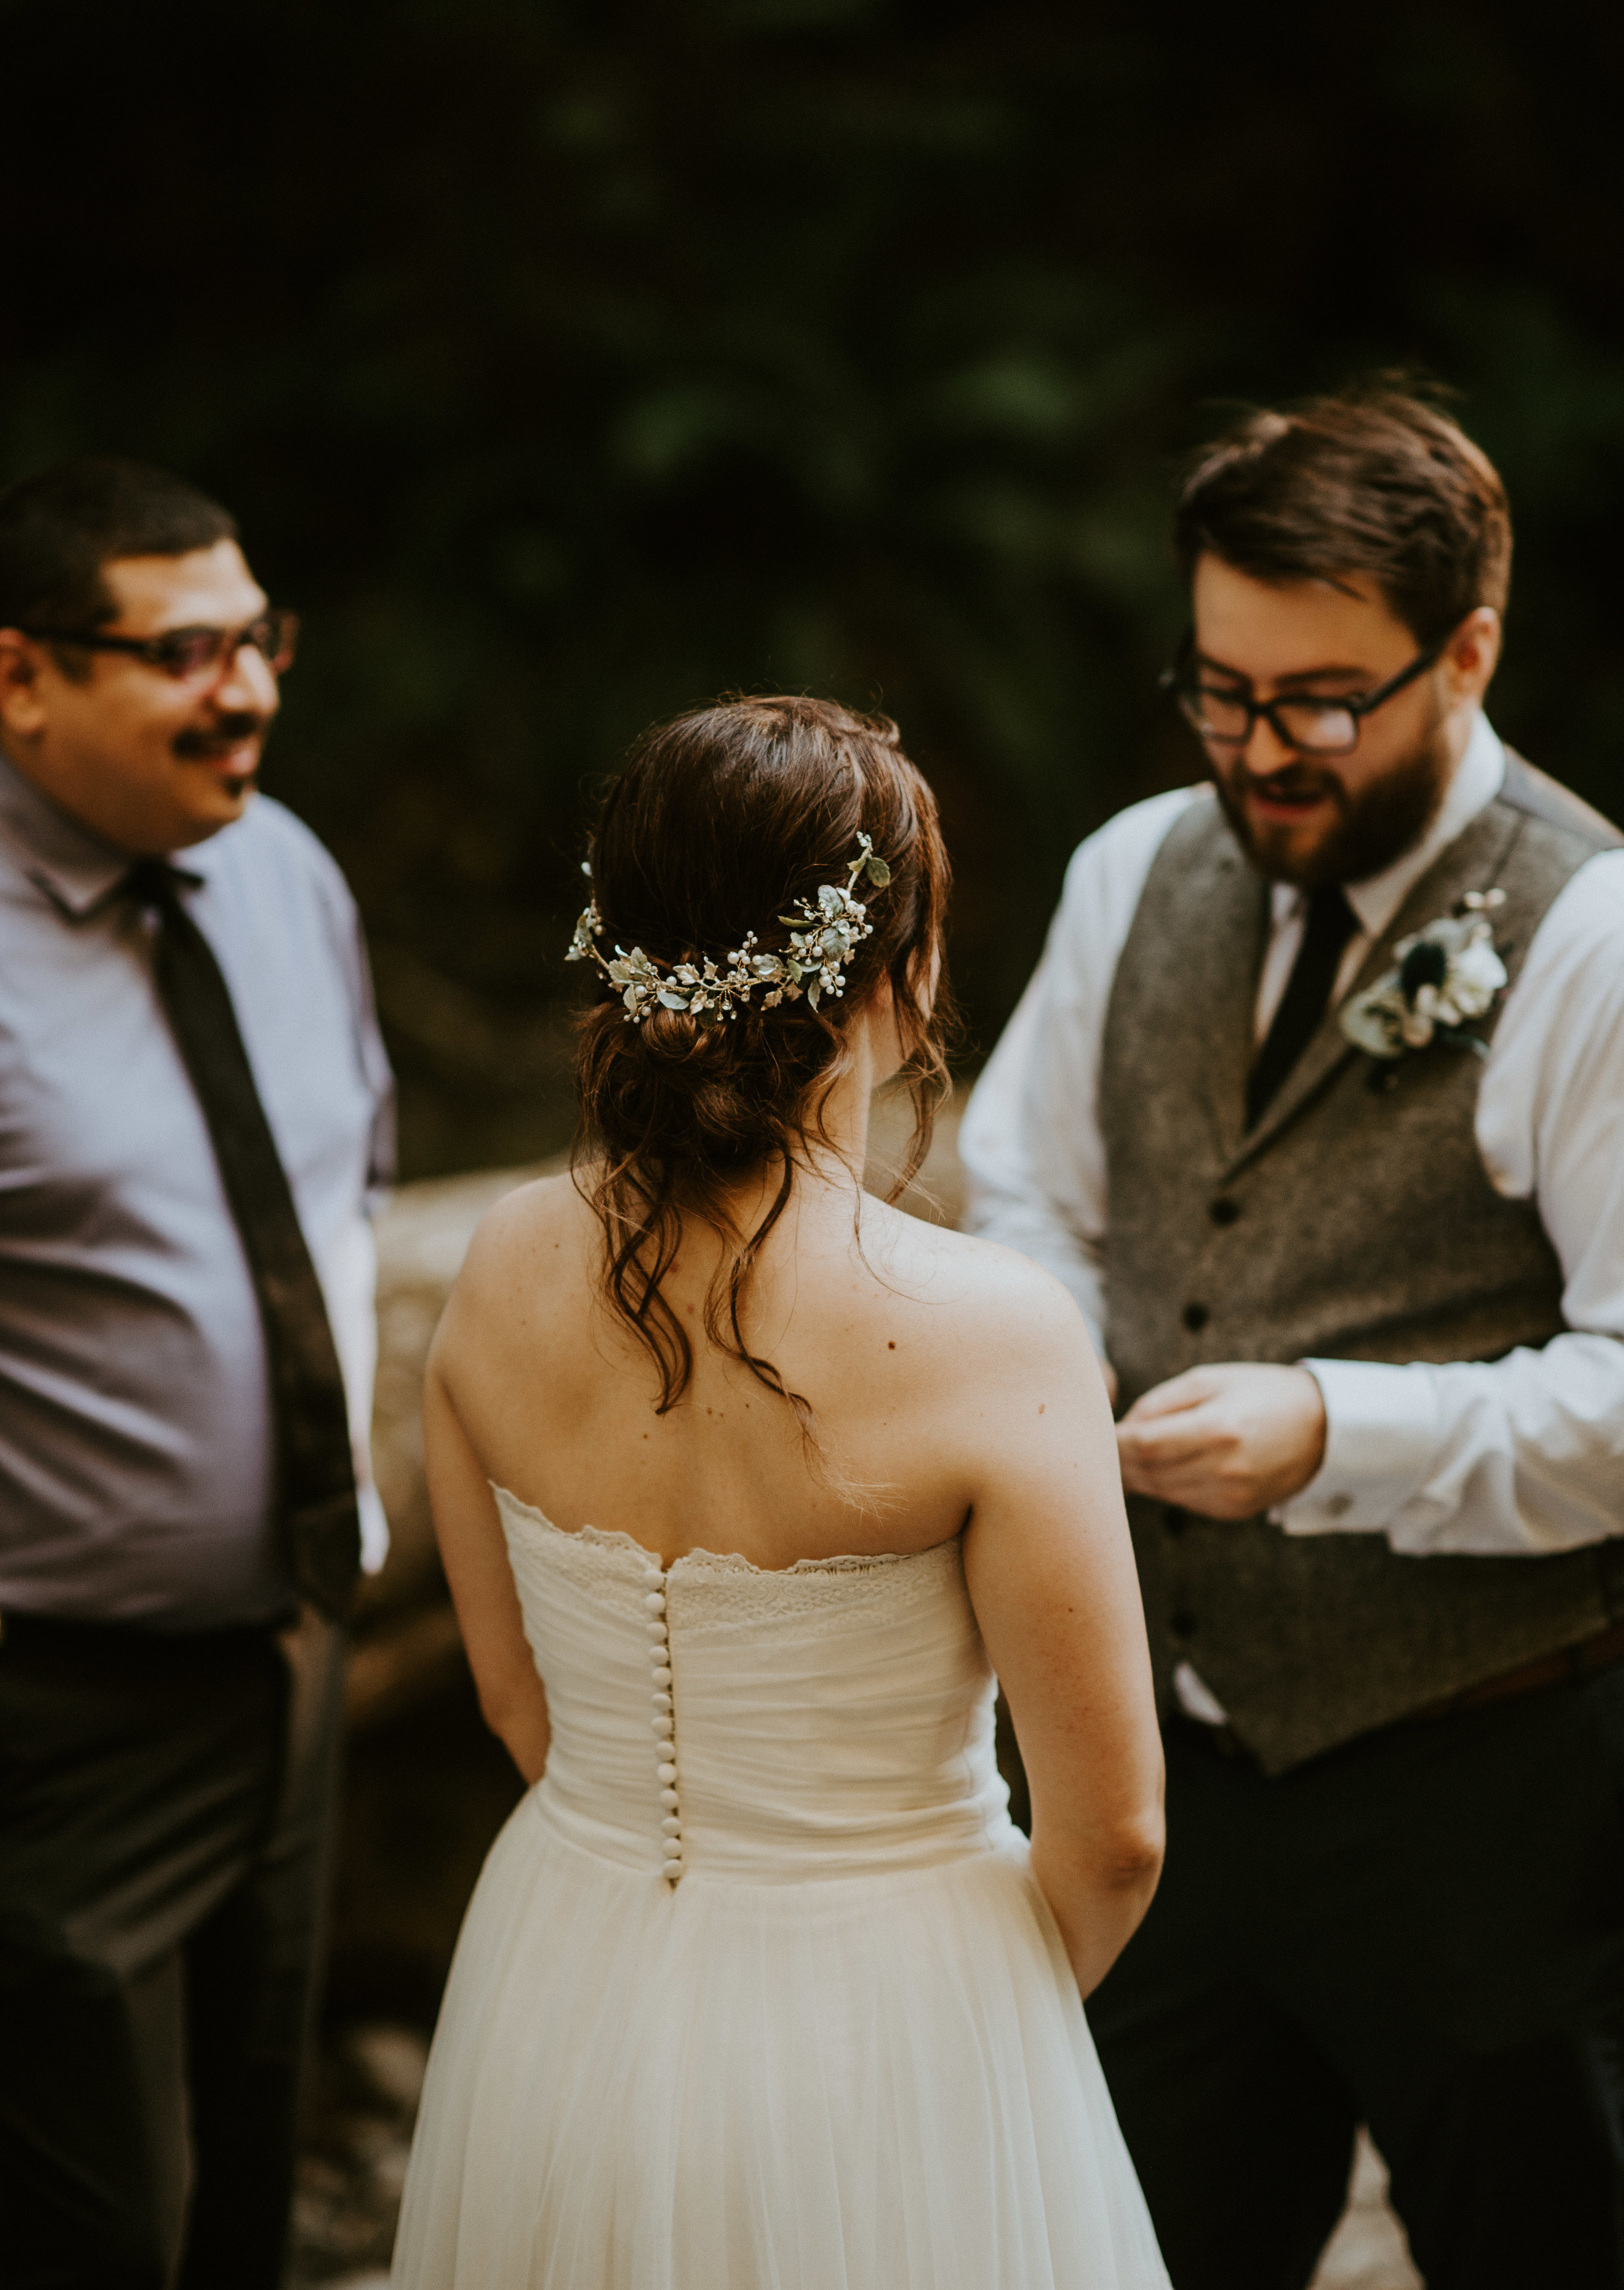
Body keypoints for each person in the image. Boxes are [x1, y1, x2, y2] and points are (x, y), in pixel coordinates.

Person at [961, 383, 1624, 2289]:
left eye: (1322, 699)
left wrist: (1339, 1431)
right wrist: (1063, 1364)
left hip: (1485, 1798)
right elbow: (1022, 1196)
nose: (1261, 750)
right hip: (1158, 1780)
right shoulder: (1131, 870)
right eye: (1220, 688)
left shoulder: (1585, 938)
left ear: (1467, 652)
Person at [389, 694, 1170, 2289]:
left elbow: (512, 1697)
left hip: (560, 1978)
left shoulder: (493, 1270)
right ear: (897, 976)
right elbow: (1114, 1843)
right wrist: (975, 2023)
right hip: (893, 2009)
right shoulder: (995, 1333)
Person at [0, 457, 394, 2289]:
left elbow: (349, 1184)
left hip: (293, 1664)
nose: (246, 691)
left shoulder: (283, 872)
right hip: (51, 1715)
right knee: (99, 2228)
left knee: (248, 2206)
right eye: (183, 652)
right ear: (24, 678)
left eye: (259, 640)